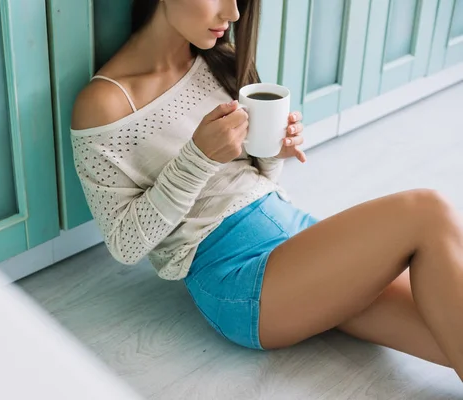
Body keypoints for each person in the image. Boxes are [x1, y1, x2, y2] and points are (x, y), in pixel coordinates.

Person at [71, 0, 463, 379]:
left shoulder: (218, 60)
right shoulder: (104, 103)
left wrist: (272, 150)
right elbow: (125, 245)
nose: (233, 13)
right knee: (427, 212)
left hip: (295, 236)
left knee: (448, 323)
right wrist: (198, 159)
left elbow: (254, 185)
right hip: (239, 278)